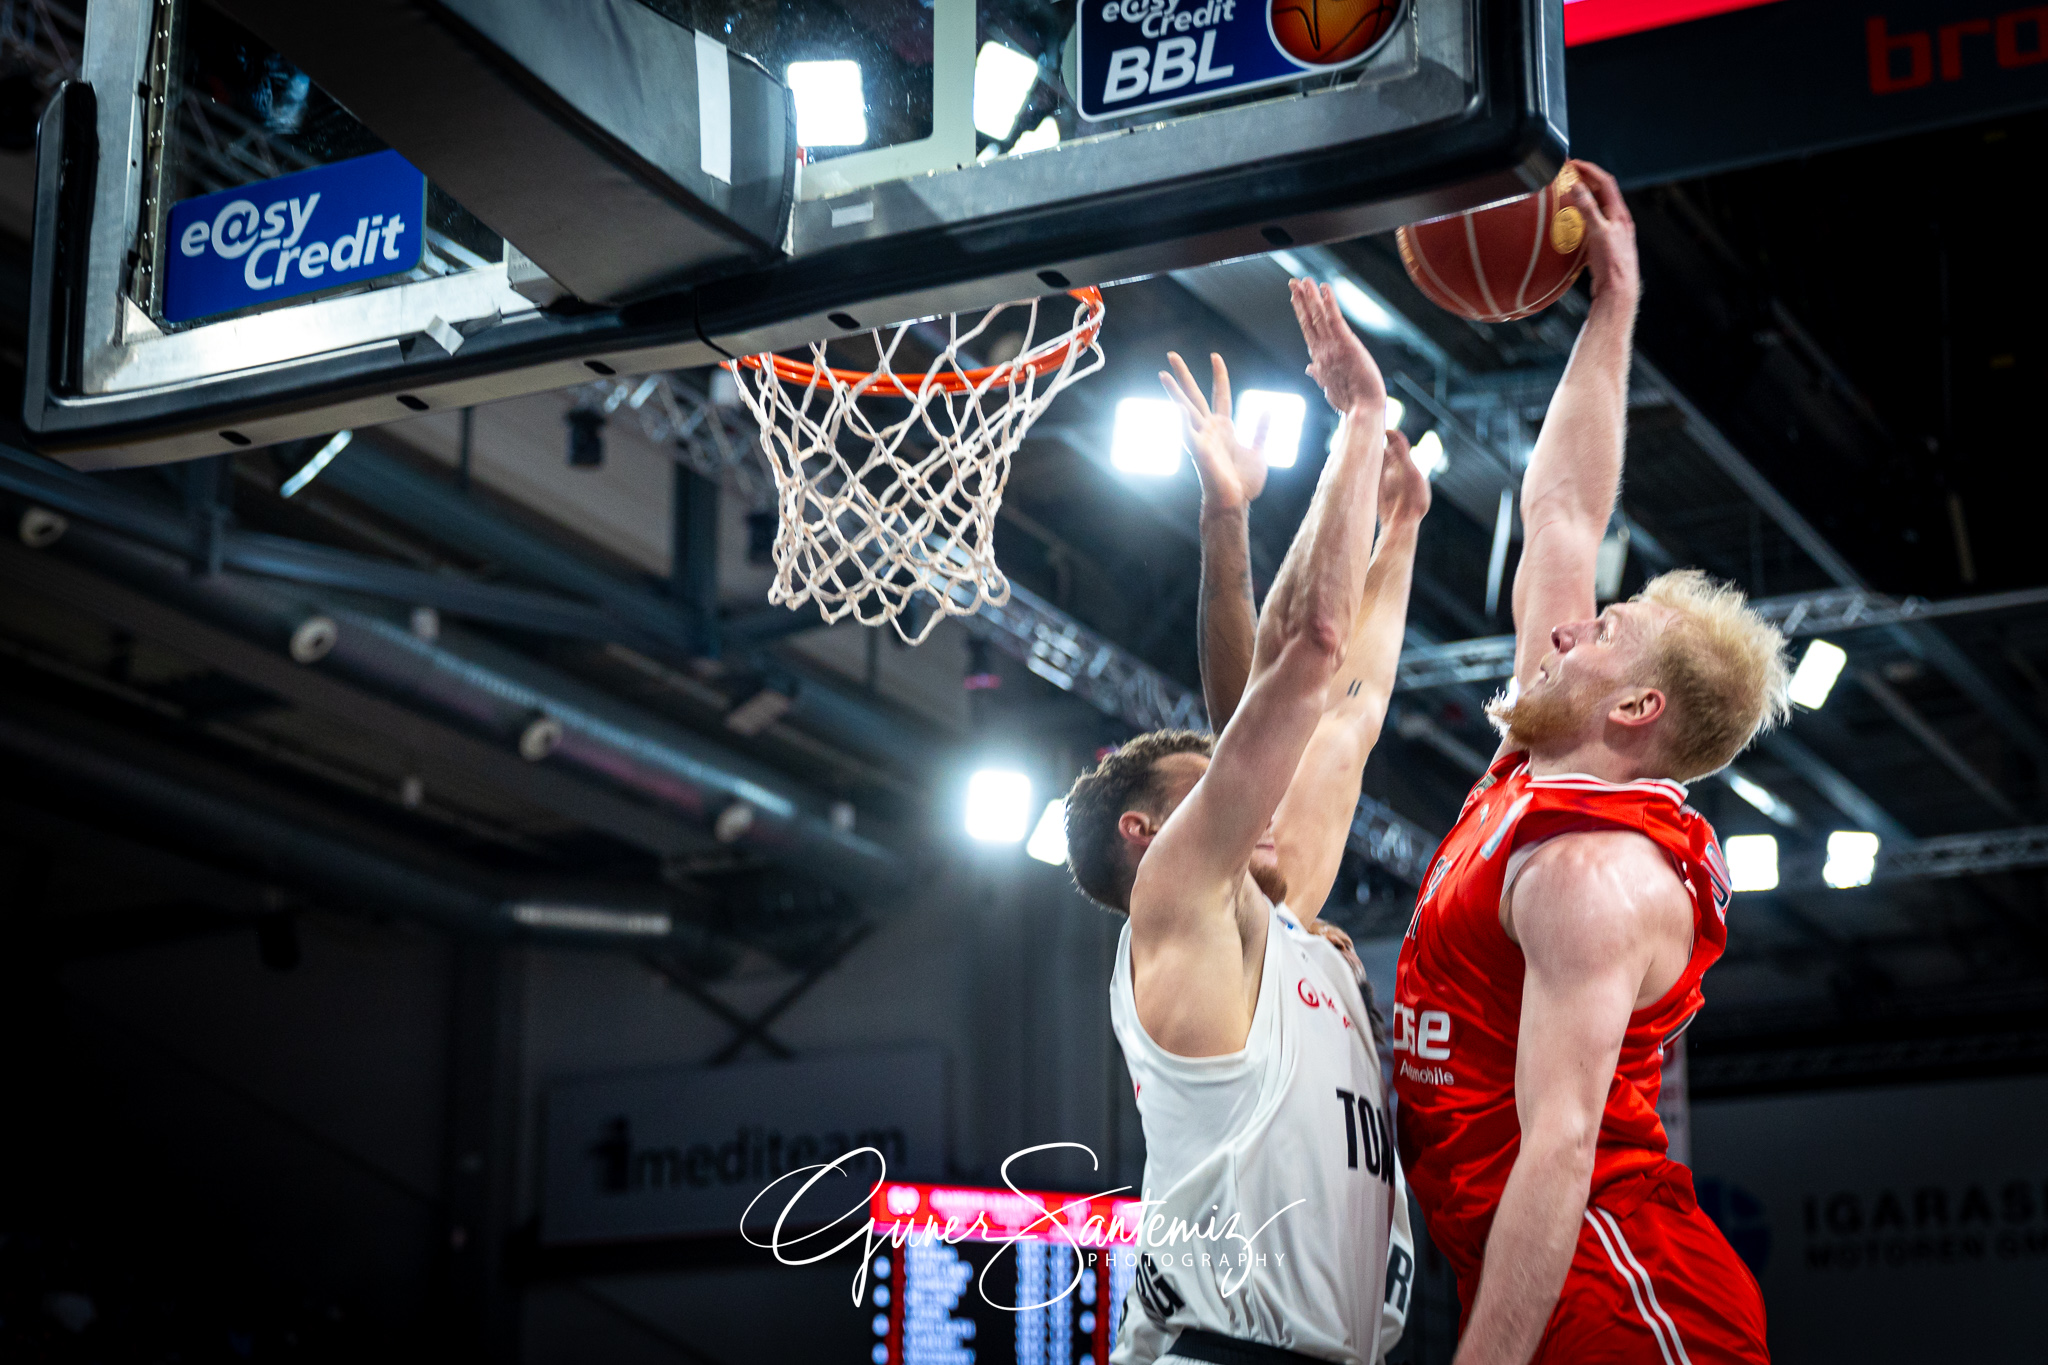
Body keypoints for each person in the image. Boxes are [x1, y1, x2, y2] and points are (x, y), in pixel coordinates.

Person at [1391, 161, 1784, 1364]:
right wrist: (1610, 308)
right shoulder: (1540, 770)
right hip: (1539, 1268)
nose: (1567, 626)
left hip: (1616, 1290)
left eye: (1598, 633)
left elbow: (1559, 1145)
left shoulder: (1591, 874)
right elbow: (1561, 507)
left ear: (1636, 708)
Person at [1063, 278, 1430, 1365]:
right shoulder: (1182, 909)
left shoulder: (1280, 926)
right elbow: (1302, 659)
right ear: (1146, 837)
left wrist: (1398, 527)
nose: (1254, 795)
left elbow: (1343, 712)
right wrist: (1356, 427)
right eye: (1212, 785)